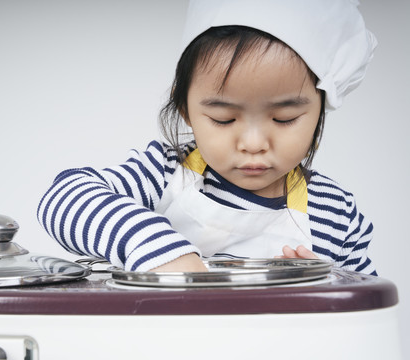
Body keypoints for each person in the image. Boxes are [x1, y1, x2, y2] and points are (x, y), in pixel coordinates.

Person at [37, 0, 377, 275]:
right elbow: (63, 198)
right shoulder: (166, 174)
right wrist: (158, 251)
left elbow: (368, 317)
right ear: (185, 107)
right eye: (224, 119)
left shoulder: (336, 212)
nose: (254, 143)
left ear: (320, 110)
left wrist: (327, 287)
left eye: (283, 119)